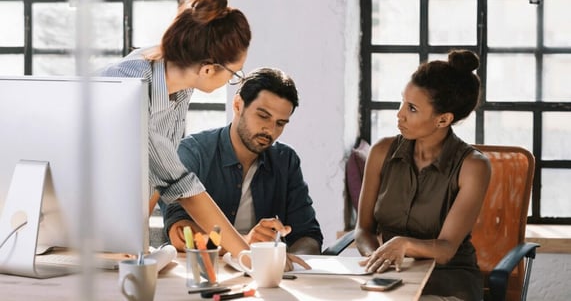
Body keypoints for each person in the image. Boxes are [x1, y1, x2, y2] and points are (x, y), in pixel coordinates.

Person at [99, 0, 254, 258]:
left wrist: (134, 240)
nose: (234, 81)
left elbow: (155, 169)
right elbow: (183, 189)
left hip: (113, 238)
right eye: (234, 73)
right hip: (76, 230)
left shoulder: (179, 83)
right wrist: (248, 257)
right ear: (208, 69)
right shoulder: (133, 88)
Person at [355, 49, 491, 301]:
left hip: (448, 280)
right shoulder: (381, 152)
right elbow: (363, 230)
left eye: (412, 108)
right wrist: (378, 264)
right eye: (402, 102)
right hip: (392, 279)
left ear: (443, 120)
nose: (400, 114)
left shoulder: (473, 167)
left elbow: (447, 249)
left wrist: (403, 244)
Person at [160, 67, 323, 261]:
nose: (269, 130)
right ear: (238, 105)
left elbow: (309, 236)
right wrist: (244, 247)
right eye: (263, 116)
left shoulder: (285, 160)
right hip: (201, 273)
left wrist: (286, 261)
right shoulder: (193, 152)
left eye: (280, 123)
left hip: (263, 276)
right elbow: (179, 233)